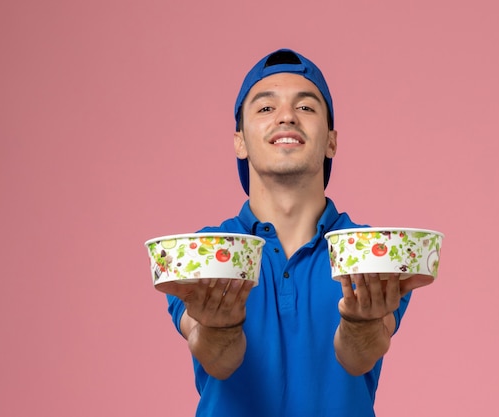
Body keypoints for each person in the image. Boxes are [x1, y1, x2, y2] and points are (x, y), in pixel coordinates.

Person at [160, 48, 425, 416]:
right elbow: (218, 362)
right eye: (266, 108)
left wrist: (361, 323)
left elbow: (357, 358)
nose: (286, 117)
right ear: (239, 140)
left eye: (306, 107)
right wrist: (220, 328)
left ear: (332, 140)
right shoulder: (203, 251)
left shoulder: (374, 250)